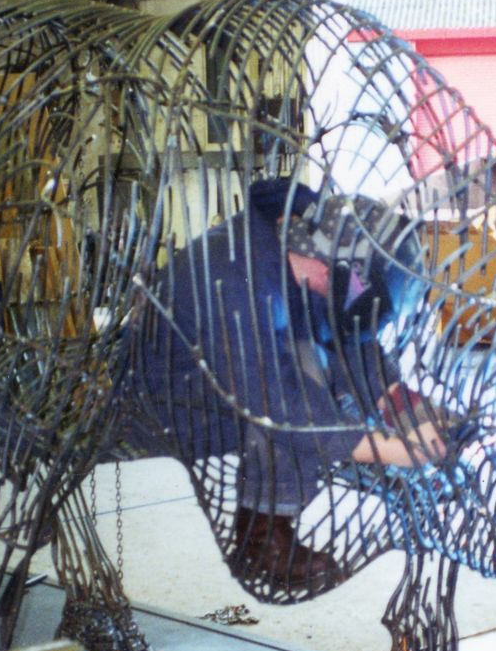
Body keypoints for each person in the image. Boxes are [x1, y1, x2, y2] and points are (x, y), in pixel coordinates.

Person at [140, 177, 445, 597]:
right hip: (169, 399)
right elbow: (275, 400)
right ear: (329, 265)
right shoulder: (232, 276)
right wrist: (387, 450)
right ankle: (262, 536)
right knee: (303, 377)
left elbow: (350, 338)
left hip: (237, 378)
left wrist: (403, 403)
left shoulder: (298, 252)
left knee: (315, 360)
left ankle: (348, 461)